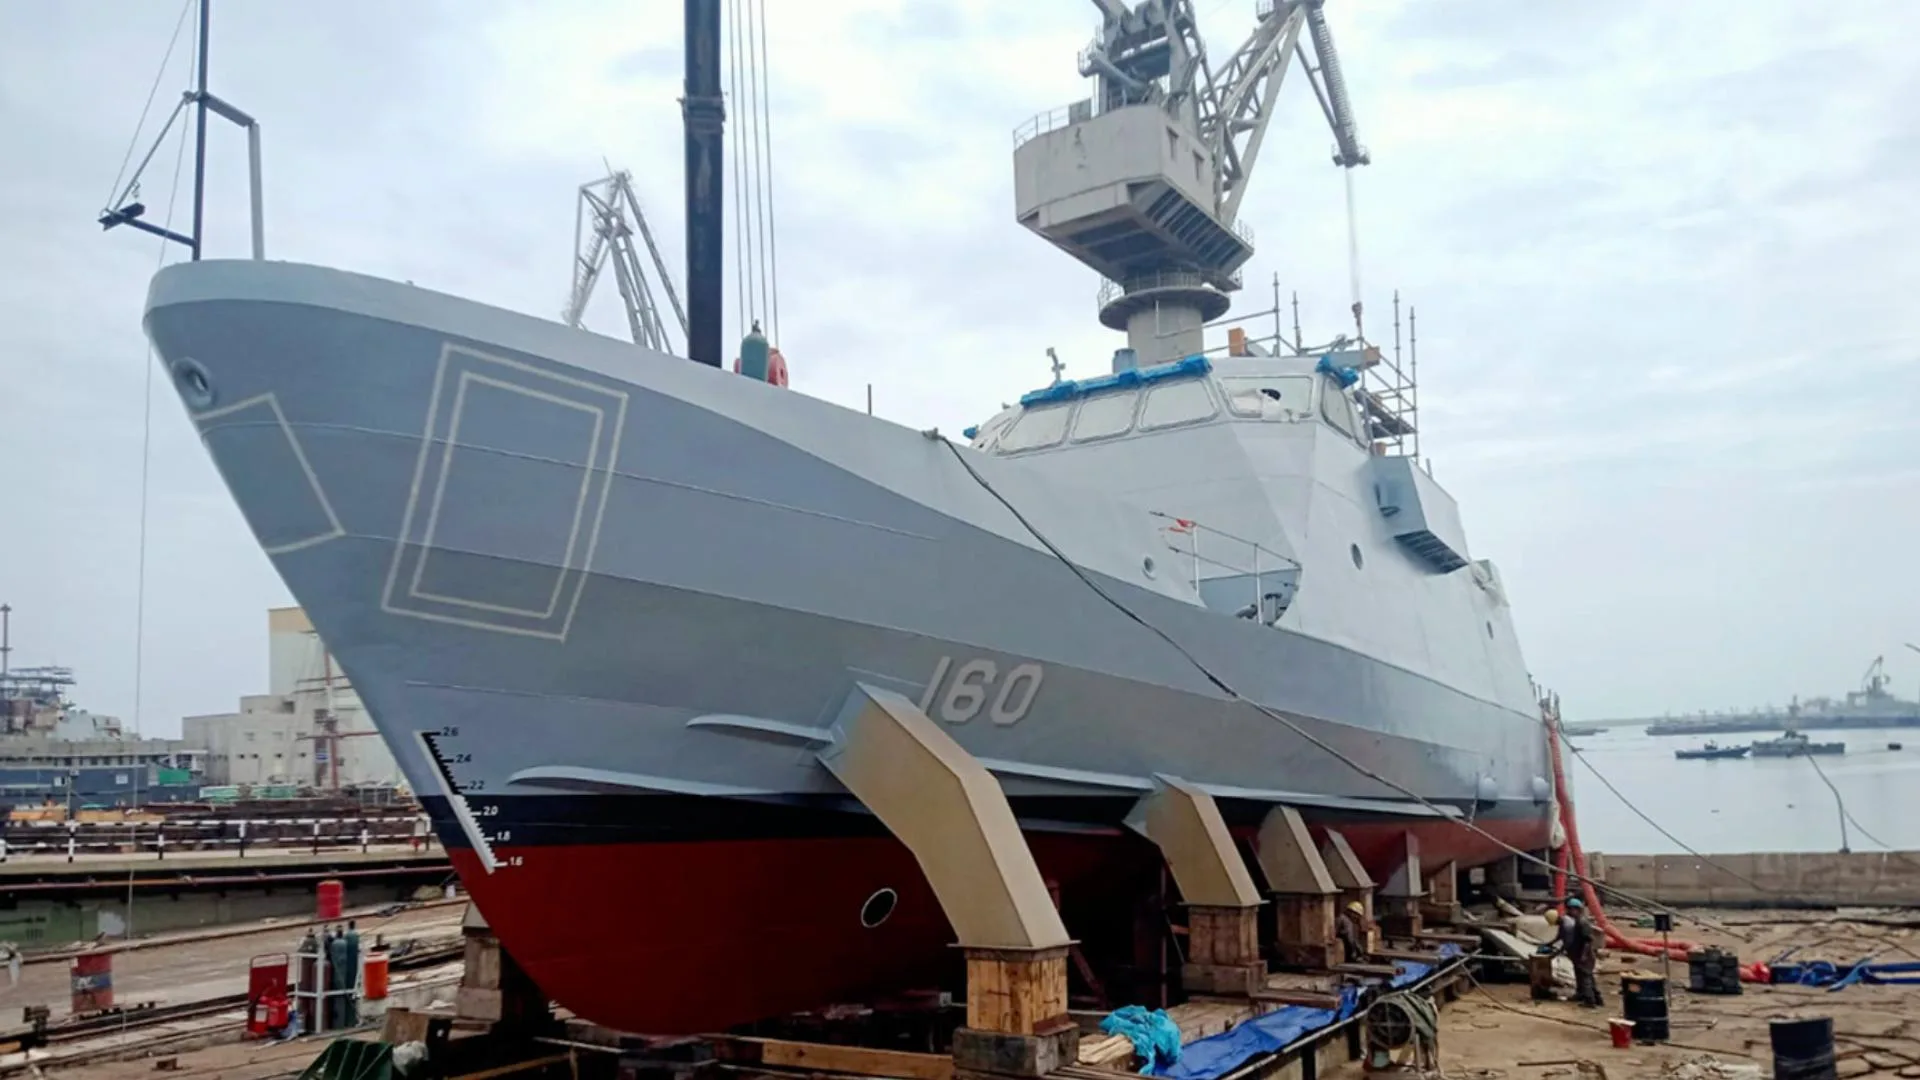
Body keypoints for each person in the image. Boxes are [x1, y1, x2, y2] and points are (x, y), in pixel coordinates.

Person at [1557, 897, 1602, 1007]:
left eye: (1570, 909)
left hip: (1585, 955)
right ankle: (1595, 998)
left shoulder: (1582, 922)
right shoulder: (1576, 922)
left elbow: (1588, 940)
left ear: (1576, 909)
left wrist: (1583, 955)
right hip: (1580, 954)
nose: (1568, 912)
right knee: (1586, 976)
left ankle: (1590, 1001)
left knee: (1585, 977)